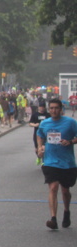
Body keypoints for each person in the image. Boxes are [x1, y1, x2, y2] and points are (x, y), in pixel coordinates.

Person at [35, 98, 77, 230]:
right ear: (49, 109)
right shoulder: (45, 123)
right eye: (51, 108)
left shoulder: (70, 122)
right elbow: (39, 135)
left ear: (61, 109)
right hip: (50, 161)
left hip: (67, 162)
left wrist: (70, 142)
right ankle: (53, 219)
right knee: (53, 187)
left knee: (65, 190)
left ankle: (66, 211)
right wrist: (40, 147)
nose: (54, 110)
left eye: (56, 108)